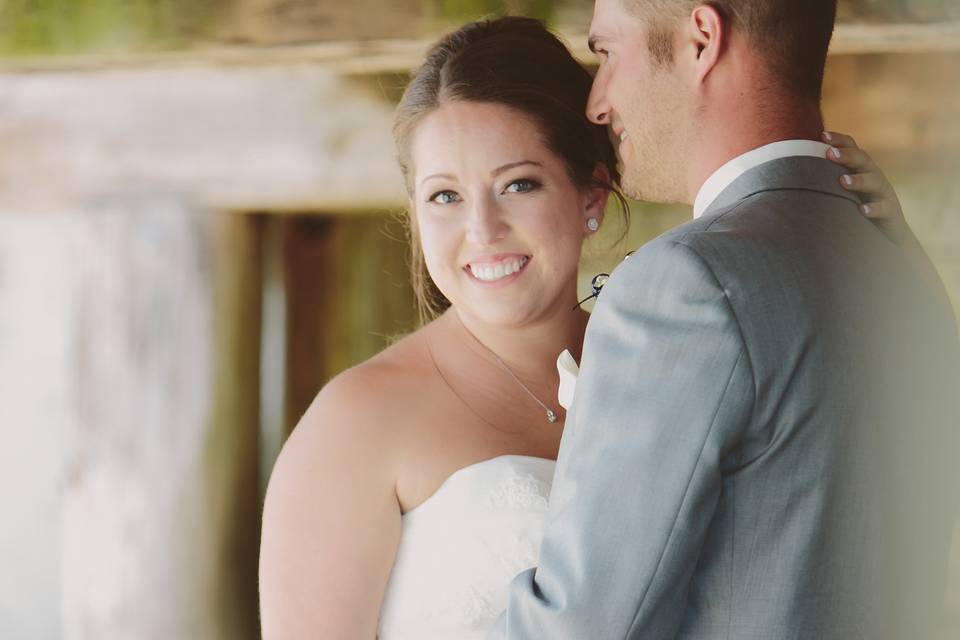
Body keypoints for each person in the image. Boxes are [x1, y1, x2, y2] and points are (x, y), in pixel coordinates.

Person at [257, 16, 937, 640]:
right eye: (444, 196)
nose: (481, 229)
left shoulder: (678, 341)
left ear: (591, 193)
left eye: (518, 184)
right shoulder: (356, 423)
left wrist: (888, 258)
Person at [489, 2, 959, 639]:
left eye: (607, 54)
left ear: (702, 40)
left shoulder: (686, 284)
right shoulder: (899, 264)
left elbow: (581, 628)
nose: (596, 103)